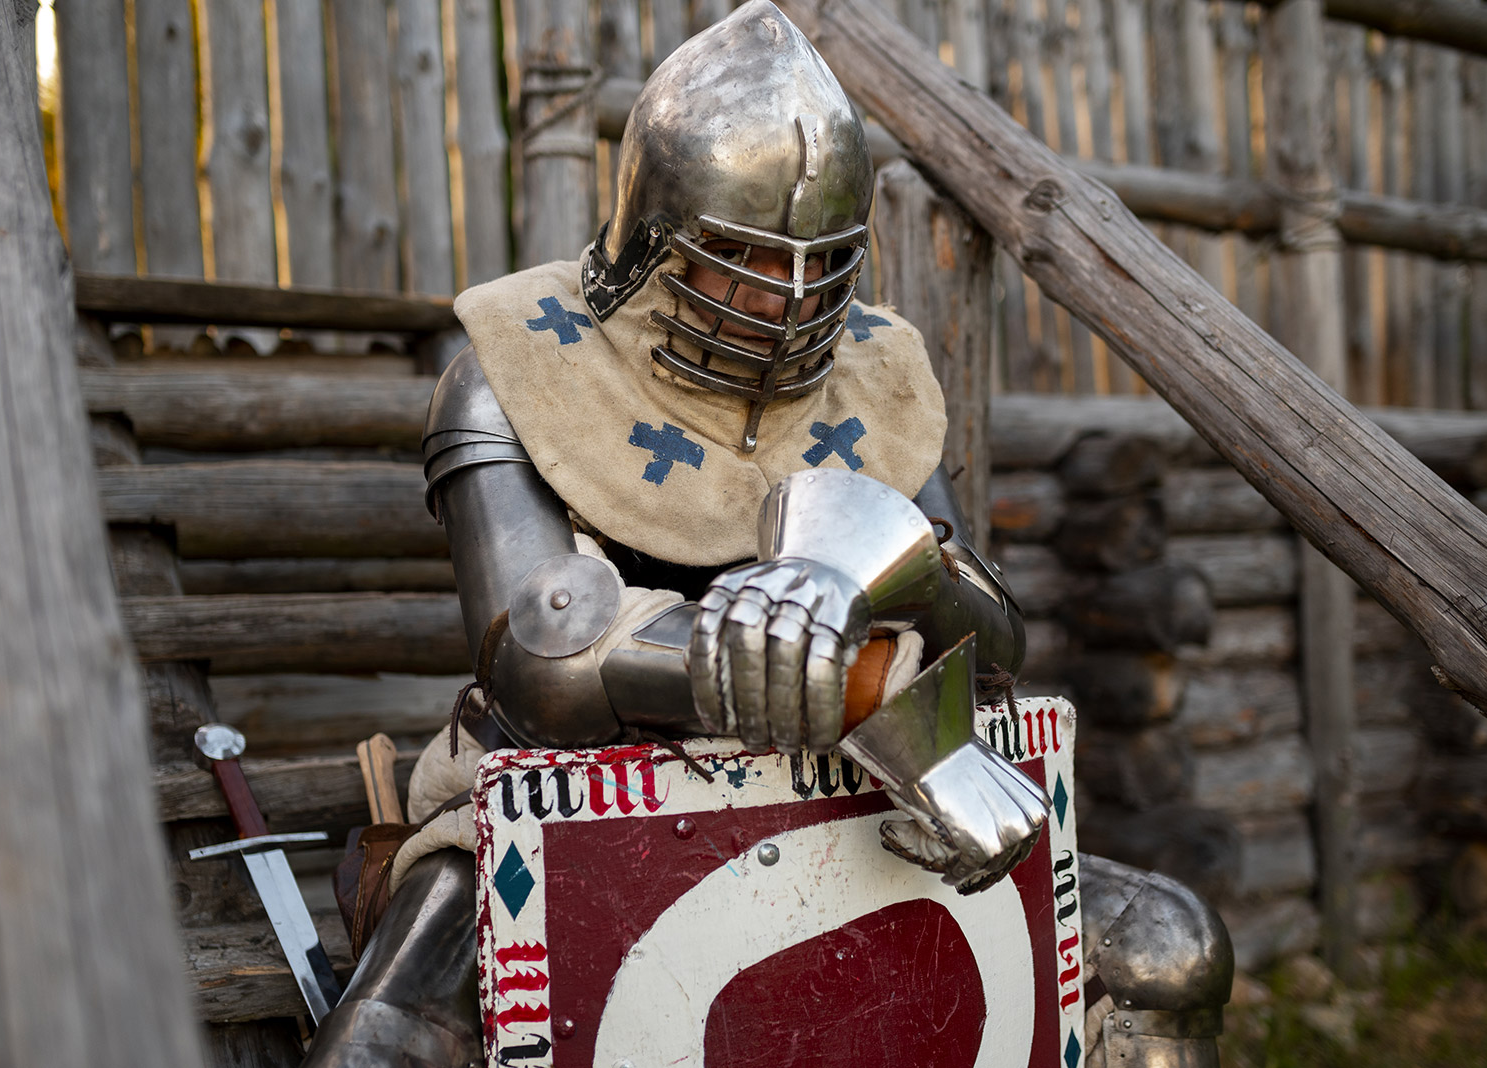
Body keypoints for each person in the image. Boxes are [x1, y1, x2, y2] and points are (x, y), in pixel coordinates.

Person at [303, 5, 1231, 1067]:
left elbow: (984, 645)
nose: (785, 297)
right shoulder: (520, 366)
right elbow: (542, 661)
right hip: (568, 805)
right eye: (744, 255)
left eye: (818, 263)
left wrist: (889, 586)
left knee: (1167, 948)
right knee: (379, 1045)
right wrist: (799, 653)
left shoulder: (875, 378)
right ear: (657, 239)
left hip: (856, 787)